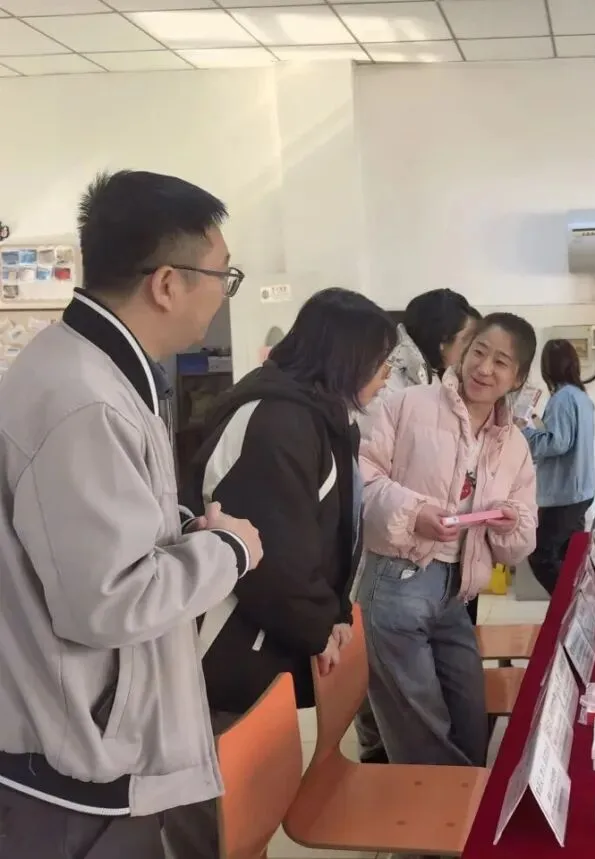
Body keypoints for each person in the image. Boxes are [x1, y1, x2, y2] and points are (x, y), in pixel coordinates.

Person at [0, 170, 263, 858]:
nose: (222, 291)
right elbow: (110, 602)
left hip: (84, 747)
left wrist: (183, 530)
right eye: (223, 275)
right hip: (74, 768)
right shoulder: (84, 398)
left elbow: (99, 541)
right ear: (168, 283)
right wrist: (229, 551)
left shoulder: (94, 371)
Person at [168, 289, 396, 857]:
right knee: (218, 824)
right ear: (345, 357)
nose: (387, 375)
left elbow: (322, 538)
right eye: (381, 360)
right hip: (223, 650)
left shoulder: (317, 416)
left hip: (261, 644)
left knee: (245, 818)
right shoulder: (276, 420)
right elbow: (268, 558)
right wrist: (321, 626)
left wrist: (331, 615)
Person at [358, 313, 538, 770]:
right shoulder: (406, 405)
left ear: (517, 378)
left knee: (470, 717)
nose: (484, 368)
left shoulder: (514, 445)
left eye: (501, 362)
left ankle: (460, 805)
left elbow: (522, 538)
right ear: (464, 351)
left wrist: (508, 523)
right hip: (397, 580)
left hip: (456, 591)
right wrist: (414, 512)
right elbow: (361, 479)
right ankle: (440, 814)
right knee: (422, 726)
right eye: (479, 351)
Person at [353, 287, 480, 764]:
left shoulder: (433, 377)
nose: (475, 360)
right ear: (443, 340)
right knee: (411, 705)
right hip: (394, 555)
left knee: (446, 697)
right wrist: (417, 510)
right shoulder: (389, 383)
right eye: (469, 344)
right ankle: (385, 763)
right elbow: (369, 474)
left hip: (438, 559)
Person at [520, 338, 595, 595]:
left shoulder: (562, 398)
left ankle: (568, 602)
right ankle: (574, 606)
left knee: (541, 556)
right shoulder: (582, 397)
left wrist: (525, 433)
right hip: (580, 491)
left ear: (547, 368)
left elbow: (558, 443)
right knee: (569, 558)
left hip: (563, 495)